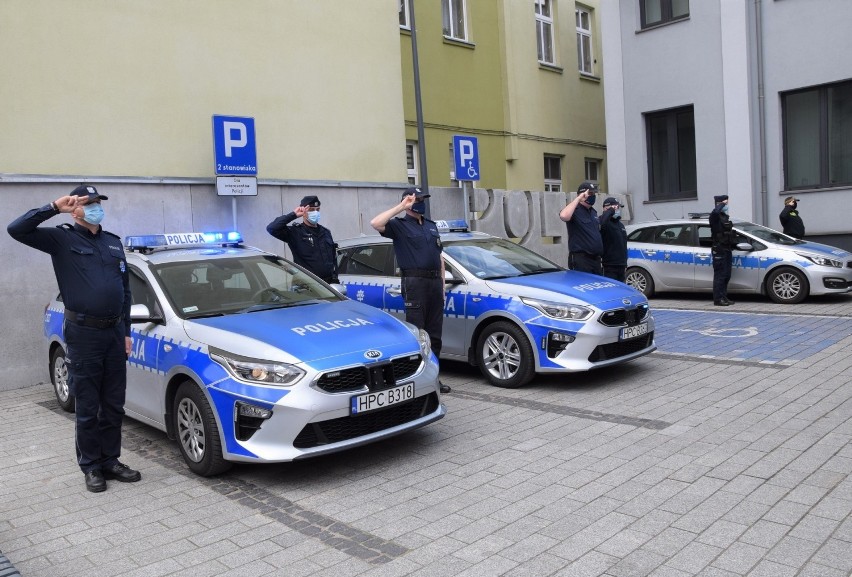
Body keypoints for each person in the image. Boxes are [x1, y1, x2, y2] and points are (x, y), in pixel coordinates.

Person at [8, 185, 140, 492]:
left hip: (113, 333)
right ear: (76, 207)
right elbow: (16, 229)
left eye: (98, 203)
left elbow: (126, 293)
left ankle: (110, 460)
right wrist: (54, 207)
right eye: (88, 203)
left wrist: (127, 332)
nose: (95, 207)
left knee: (113, 403)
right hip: (84, 334)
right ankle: (91, 465)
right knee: (88, 403)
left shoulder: (113, 243)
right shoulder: (61, 238)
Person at [370, 187, 450, 394]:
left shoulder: (431, 226)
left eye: (423, 198)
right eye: (417, 199)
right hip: (415, 283)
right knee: (417, 335)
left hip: (433, 285)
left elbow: (439, 258)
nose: (421, 202)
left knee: (435, 337)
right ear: (407, 201)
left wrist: (442, 287)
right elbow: (375, 223)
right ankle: (416, 381)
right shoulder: (399, 225)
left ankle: (433, 378)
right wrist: (401, 207)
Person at [267, 195, 339, 283]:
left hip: (328, 284)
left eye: (317, 209)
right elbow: (272, 228)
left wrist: (335, 277)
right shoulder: (295, 232)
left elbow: (333, 259)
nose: (315, 212)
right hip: (306, 285)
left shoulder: (326, 232)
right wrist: (293, 214)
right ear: (303, 211)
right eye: (311, 210)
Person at [559, 181, 603, 275]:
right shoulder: (574, 210)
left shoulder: (593, 212)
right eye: (590, 193)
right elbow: (563, 216)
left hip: (596, 260)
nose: (593, 196)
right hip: (581, 260)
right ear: (582, 194)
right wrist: (578, 199)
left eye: (594, 193)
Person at [709, 194, 735, 306]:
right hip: (719, 249)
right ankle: (718, 299)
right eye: (725, 203)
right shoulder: (714, 216)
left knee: (726, 275)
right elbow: (715, 212)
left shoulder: (724, 216)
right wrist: (721, 204)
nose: (726, 205)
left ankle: (724, 297)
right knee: (720, 275)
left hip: (726, 248)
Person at [599, 197, 627, 282]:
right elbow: (602, 224)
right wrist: (609, 211)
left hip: (621, 265)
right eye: (615, 207)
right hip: (609, 266)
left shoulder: (620, 225)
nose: (617, 210)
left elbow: (623, 244)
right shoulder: (603, 221)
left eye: (618, 207)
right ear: (606, 208)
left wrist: (625, 263)